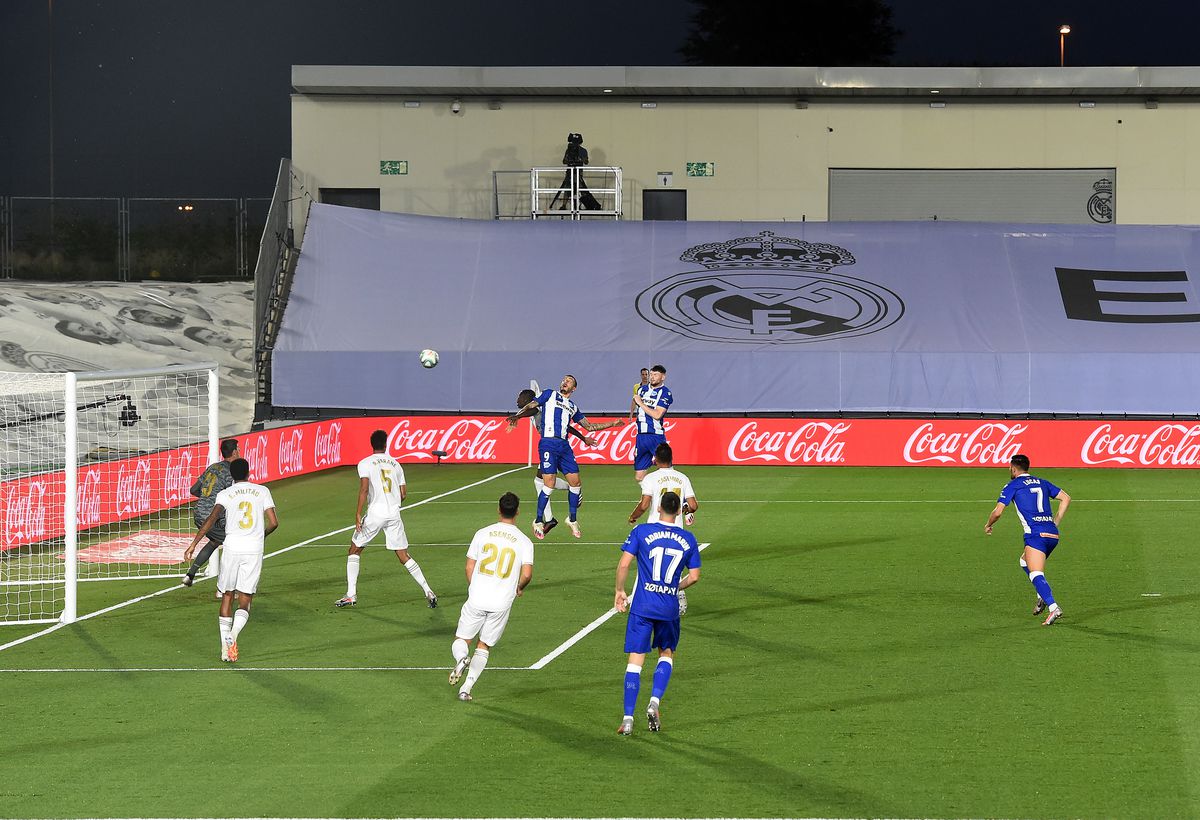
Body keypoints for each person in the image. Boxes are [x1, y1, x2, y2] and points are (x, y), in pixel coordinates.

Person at [614, 491, 701, 735]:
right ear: (678, 511)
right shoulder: (688, 538)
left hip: (642, 606)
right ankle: (654, 702)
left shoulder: (642, 531)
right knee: (666, 653)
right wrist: (675, 587)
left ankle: (628, 718)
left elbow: (624, 564)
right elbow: (694, 577)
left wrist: (620, 591)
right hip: (668, 608)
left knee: (635, 661)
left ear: (659, 507)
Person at [506, 374, 623, 540]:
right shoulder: (549, 394)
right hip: (548, 443)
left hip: (564, 446)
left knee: (576, 483)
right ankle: (539, 521)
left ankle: (572, 520)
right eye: (564, 379)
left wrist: (613, 424)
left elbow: (588, 426)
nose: (565, 381)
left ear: (573, 388)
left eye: (569, 381)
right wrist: (517, 416)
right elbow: (533, 405)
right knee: (548, 483)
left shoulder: (573, 407)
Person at [335, 429, 437, 609]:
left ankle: (351, 594)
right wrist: (392, 502)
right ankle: (428, 590)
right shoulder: (396, 464)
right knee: (403, 555)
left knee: (354, 550)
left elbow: (364, 489)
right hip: (393, 513)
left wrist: (358, 513)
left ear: (371, 444)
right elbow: (403, 493)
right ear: (386, 444)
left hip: (376, 513)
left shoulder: (365, 463)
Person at [189, 458, 277, 662]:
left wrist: (194, 543)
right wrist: (260, 535)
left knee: (227, 595)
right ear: (248, 473)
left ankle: (224, 650)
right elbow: (274, 523)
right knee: (245, 600)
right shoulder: (262, 491)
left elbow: (211, 519)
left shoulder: (225, 494)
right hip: (253, 550)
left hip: (231, 548)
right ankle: (234, 635)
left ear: (233, 476)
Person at [449, 492, 534, 702]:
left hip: (477, 597)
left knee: (462, 639)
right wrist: (519, 588)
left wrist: (476, 585)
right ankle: (466, 689)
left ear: (498, 509)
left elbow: (469, 566)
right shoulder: (524, 541)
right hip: (501, 602)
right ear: (517, 512)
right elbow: (527, 574)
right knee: (484, 645)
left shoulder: (482, 533)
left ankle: (461, 658)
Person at [984, 453, 1072, 626]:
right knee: (1024, 561)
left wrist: (988, 524)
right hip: (1052, 535)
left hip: (1035, 535)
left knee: (1036, 573)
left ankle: (1053, 607)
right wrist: (1055, 522)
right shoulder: (1042, 482)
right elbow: (1066, 498)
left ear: (1013, 468)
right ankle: (1041, 596)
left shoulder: (1013, 485)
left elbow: (998, 511)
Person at [514, 387, 597, 537]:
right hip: (551, 446)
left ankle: (550, 517)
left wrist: (518, 416)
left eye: (520, 397)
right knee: (540, 481)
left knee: (543, 482)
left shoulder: (538, 409)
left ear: (528, 399)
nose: (517, 400)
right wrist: (583, 438)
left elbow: (533, 411)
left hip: (553, 446)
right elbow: (567, 427)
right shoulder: (542, 409)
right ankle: (553, 514)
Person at [627, 443, 699, 614]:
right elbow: (694, 505)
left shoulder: (650, 478)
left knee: (646, 564)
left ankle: (638, 598)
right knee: (672, 564)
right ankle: (678, 592)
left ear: (656, 459)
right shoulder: (683, 477)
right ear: (671, 458)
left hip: (654, 529)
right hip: (676, 529)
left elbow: (644, 505)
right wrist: (683, 511)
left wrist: (633, 516)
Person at [182, 438, 240, 595]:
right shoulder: (232, 471)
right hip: (213, 515)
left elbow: (194, 490)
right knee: (233, 545)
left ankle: (190, 575)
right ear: (234, 452)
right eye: (238, 449)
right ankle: (224, 588)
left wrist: (207, 496)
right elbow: (233, 495)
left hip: (198, 513)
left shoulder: (212, 468)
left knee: (215, 541)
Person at [632, 365, 673, 483]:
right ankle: (649, 499)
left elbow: (657, 414)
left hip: (655, 436)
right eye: (651, 374)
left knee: (667, 470)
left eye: (655, 375)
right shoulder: (641, 389)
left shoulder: (666, 393)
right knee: (639, 476)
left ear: (663, 377)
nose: (652, 377)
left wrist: (640, 403)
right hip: (641, 436)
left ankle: (682, 499)